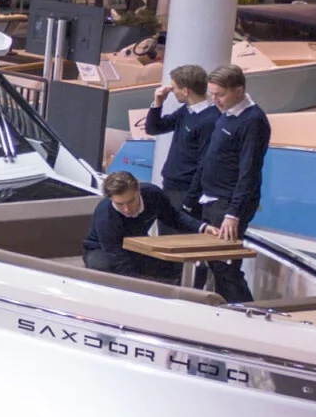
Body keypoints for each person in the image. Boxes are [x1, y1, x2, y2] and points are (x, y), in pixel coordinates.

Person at [195, 64, 271, 303]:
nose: (214, 100)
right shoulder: (226, 113)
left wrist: (233, 213)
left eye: (220, 94)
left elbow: (249, 171)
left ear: (238, 91)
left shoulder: (253, 121)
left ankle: (247, 311)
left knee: (225, 266)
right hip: (211, 198)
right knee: (212, 262)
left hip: (228, 203)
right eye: (212, 94)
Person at [84, 170, 213, 282]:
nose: (127, 209)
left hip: (136, 245)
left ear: (138, 190)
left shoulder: (152, 194)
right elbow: (118, 259)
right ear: (111, 199)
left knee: (184, 267)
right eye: (120, 204)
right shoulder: (105, 216)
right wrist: (142, 286)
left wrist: (203, 227)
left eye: (131, 201)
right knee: (105, 267)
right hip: (101, 248)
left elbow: (173, 217)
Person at [144, 64, 219, 221]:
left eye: (173, 88)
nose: (171, 91)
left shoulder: (210, 120)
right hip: (171, 185)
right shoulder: (187, 110)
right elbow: (154, 128)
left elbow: (205, 163)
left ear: (186, 91)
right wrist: (158, 103)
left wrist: (189, 201)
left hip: (185, 190)